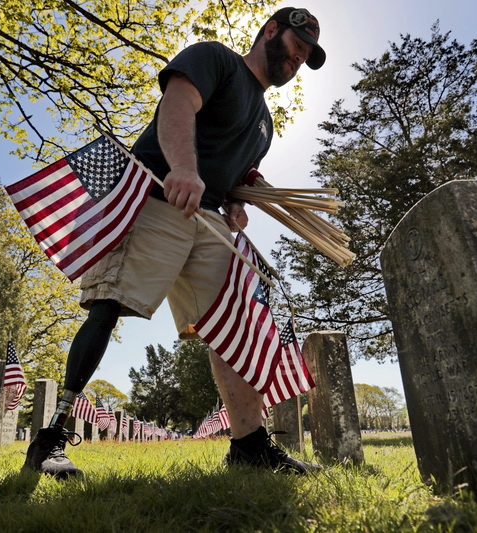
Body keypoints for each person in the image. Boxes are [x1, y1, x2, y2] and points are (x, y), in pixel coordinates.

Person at [23, 7, 327, 479]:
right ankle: (50, 439)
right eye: (296, 47)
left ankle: (249, 446)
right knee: (111, 304)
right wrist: (183, 167)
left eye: (306, 56)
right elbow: (178, 105)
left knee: (236, 322)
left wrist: (235, 201)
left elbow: (231, 168)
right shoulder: (216, 60)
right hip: (158, 193)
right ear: (271, 31)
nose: (298, 60)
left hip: (209, 221)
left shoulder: (265, 123)